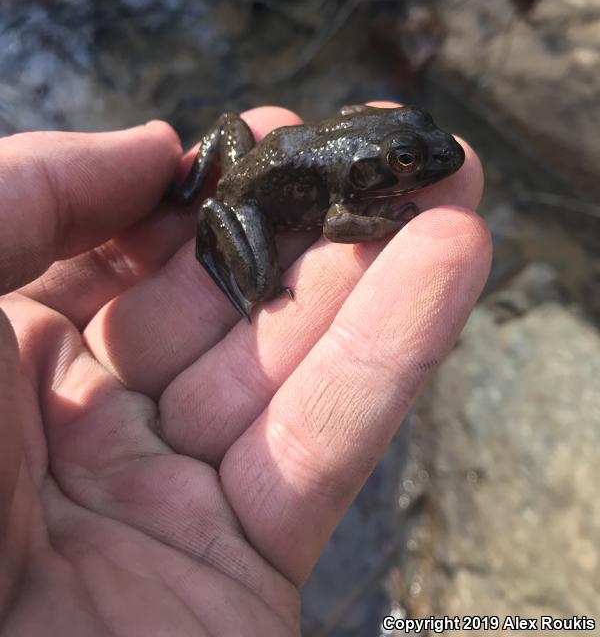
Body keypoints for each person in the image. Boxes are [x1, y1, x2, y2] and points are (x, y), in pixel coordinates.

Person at [0, 105, 491, 636]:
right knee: (262, 288)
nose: (435, 160)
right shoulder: (346, 185)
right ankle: (207, 223)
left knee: (235, 125)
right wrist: (389, 221)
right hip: (248, 202)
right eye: (403, 161)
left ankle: (193, 199)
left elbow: (349, 139)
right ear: (373, 166)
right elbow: (337, 221)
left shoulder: (358, 136)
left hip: (262, 156)